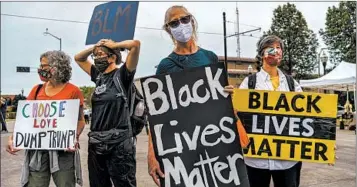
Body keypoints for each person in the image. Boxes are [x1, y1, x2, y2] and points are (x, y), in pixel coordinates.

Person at [148, 5, 248, 186]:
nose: (181, 25)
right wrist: (152, 154)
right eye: (174, 22)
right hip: (183, 143)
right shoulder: (165, 66)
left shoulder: (210, 58)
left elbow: (219, 100)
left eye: (184, 19)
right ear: (168, 29)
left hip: (213, 138)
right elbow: (156, 117)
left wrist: (228, 96)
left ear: (192, 20)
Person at [6, 50, 85, 187]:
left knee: (65, 183)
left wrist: (74, 136)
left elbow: (80, 121)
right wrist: (14, 138)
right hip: (38, 152)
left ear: (56, 67)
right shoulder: (36, 90)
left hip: (63, 152)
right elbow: (25, 121)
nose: (40, 69)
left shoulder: (73, 91)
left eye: (43, 66)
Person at [74, 38, 140, 187]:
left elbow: (135, 45)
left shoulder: (123, 75)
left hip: (119, 143)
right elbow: (78, 58)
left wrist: (114, 45)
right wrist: (96, 47)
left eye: (101, 54)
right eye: (95, 55)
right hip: (97, 142)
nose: (97, 58)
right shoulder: (98, 76)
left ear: (112, 57)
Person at [239, 35, 303, 187]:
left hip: (287, 160)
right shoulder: (249, 83)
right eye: (272, 48)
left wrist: (323, 139)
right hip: (256, 161)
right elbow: (238, 115)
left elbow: (306, 117)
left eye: (279, 48)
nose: (277, 52)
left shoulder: (292, 84)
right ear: (262, 53)